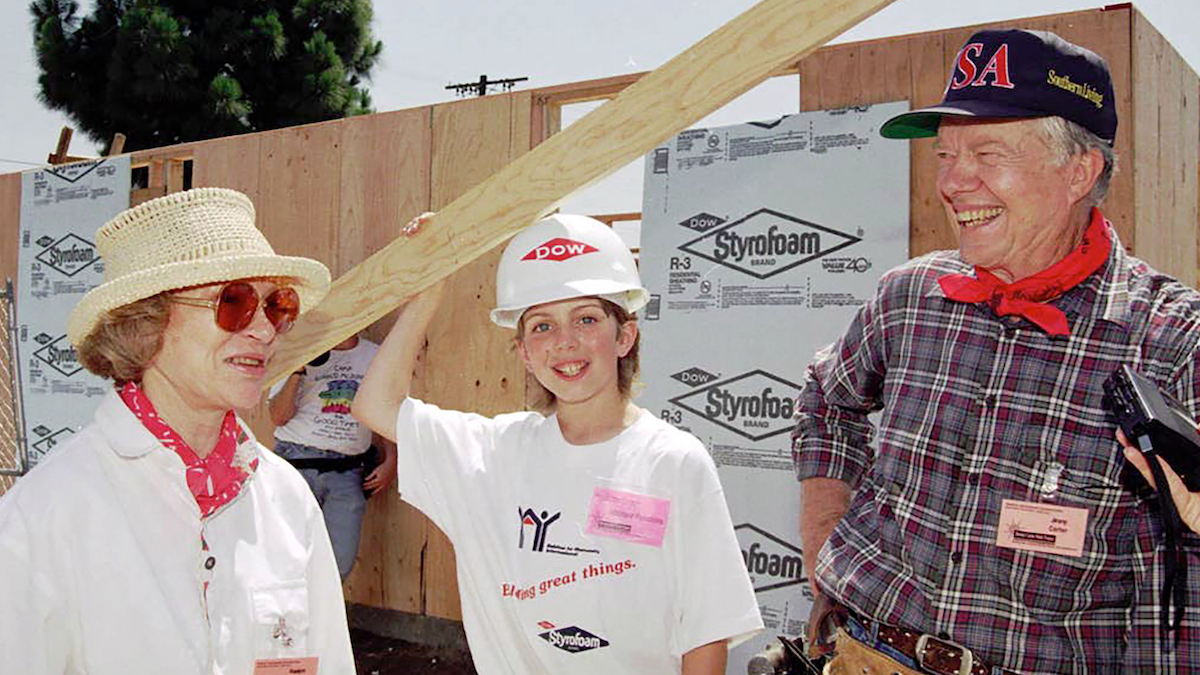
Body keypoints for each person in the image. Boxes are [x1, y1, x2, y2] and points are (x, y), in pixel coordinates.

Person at [793, 29, 1200, 674]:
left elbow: (1187, 595)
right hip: (855, 656)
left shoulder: (1172, 342)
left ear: (1079, 171)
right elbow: (826, 399)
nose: (953, 182)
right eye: (946, 154)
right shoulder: (910, 296)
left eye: (986, 152)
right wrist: (824, 543)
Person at [353, 213, 762, 675]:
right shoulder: (491, 455)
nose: (565, 342)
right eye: (542, 326)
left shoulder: (671, 461)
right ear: (524, 353)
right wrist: (431, 289)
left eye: (586, 318)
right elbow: (376, 403)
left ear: (624, 335)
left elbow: (705, 631)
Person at [0, 188, 355, 674]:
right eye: (234, 303)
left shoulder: (287, 498)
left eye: (276, 307)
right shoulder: (45, 516)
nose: (265, 331)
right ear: (146, 322)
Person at [269, 331, 395, 579]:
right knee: (287, 558)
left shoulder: (374, 355)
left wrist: (392, 460)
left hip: (346, 470)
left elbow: (387, 407)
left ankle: (321, 617)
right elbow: (278, 416)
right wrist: (298, 370)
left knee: (339, 563)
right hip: (296, 462)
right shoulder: (298, 350)